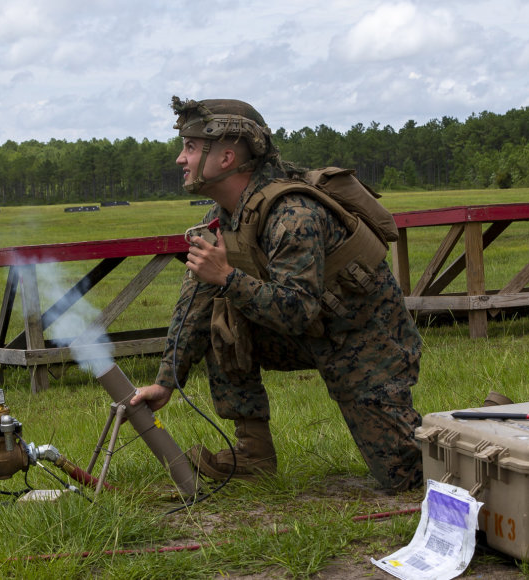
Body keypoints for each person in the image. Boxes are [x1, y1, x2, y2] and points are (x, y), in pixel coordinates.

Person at [130, 96, 423, 494]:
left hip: (363, 341)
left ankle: (489, 427)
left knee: (408, 476)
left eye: (191, 147)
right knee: (221, 319)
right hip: (312, 333)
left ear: (227, 157)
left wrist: (228, 277)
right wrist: (165, 381)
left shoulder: (293, 214)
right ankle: (254, 455)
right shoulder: (222, 218)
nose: (181, 159)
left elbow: (298, 310)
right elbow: (194, 307)